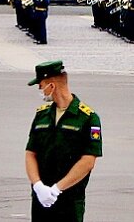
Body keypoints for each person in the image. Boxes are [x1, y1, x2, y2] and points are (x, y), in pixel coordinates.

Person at [25, 60, 103, 220]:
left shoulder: (87, 118)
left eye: (41, 86)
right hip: (41, 200)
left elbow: (88, 161)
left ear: (51, 86)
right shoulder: (42, 115)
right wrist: (38, 186)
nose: (41, 91)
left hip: (69, 201)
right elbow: (30, 153)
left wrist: (57, 189)